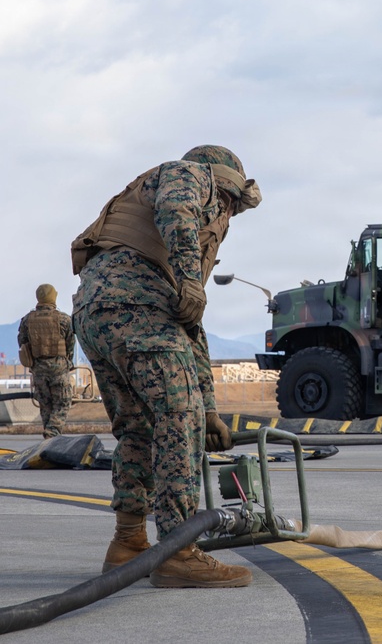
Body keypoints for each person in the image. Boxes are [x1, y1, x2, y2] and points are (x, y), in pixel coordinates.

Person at [71, 145, 262, 588]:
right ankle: (178, 551)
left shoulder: (150, 209)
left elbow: (188, 327)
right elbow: (178, 209)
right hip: (137, 308)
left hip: (99, 312)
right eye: (231, 204)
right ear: (229, 183)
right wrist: (191, 278)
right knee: (178, 420)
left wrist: (210, 406)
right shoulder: (189, 174)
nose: (228, 214)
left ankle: (129, 543)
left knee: (139, 428)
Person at [17, 284, 75, 439]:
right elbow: (70, 343)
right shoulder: (63, 319)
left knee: (45, 404)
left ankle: (50, 441)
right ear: (53, 297)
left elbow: (22, 343)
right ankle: (52, 434)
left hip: (38, 368)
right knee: (62, 403)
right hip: (59, 368)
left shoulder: (27, 320)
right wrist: (68, 362)